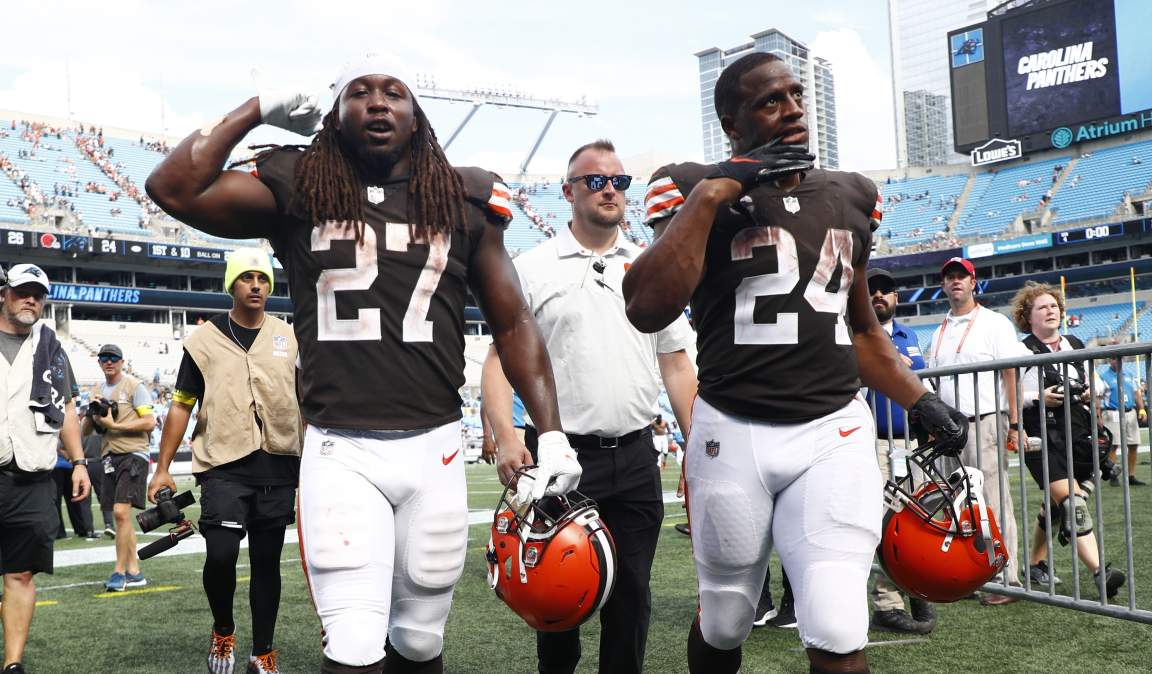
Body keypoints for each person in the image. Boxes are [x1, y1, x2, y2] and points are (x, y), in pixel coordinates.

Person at [146, 52, 566, 674]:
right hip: (341, 448)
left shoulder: (464, 195)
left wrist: (550, 433)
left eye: (394, 92)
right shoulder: (300, 184)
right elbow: (172, 188)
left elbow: (513, 321)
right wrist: (258, 110)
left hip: (435, 447)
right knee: (352, 641)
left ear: (417, 115)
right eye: (359, 92)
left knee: (420, 641)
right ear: (335, 114)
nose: (377, 103)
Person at [622, 52, 966, 674]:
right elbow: (647, 307)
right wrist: (714, 193)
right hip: (733, 429)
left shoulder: (850, 195)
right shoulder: (691, 184)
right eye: (770, 101)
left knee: (837, 627)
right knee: (725, 619)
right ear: (732, 123)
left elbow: (861, 330)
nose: (793, 110)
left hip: (832, 430)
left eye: (796, 95)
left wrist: (921, 399)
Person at [482, 139, 697, 674]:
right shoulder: (532, 267)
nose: (609, 190)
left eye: (619, 182)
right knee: (557, 599)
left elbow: (676, 362)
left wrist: (698, 448)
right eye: (596, 181)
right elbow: (498, 361)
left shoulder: (650, 264)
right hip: (561, 456)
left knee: (632, 597)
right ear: (568, 192)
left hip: (636, 455)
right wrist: (507, 436)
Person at [147, 248, 302, 674]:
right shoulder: (203, 340)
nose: (256, 285)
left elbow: (307, 397)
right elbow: (181, 404)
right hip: (223, 464)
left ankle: (263, 651)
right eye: (247, 277)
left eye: (263, 278)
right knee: (220, 555)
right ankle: (223, 629)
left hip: (278, 463)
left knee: (267, 564)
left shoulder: (289, 337)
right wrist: (162, 468)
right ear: (231, 284)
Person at [0, 263, 90, 674]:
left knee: (20, 574)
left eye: (37, 294)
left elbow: (67, 408)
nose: (30, 300)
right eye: (22, 291)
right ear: (5, 294)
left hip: (33, 475)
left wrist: (79, 462)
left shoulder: (52, 347)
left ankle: (13, 663)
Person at [1010, 283, 1125, 599]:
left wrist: (1089, 391)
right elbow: (1008, 394)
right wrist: (1039, 397)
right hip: (1041, 436)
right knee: (1073, 504)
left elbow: (1097, 384)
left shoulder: (1075, 343)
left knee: (1056, 505)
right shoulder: (1022, 351)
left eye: (1054, 306)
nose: (1050, 311)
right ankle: (1101, 573)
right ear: (1027, 317)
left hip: (1078, 433)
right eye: (1042, 307)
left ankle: (1034, 564)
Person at [924, 256, 1027, 605]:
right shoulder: (939, 331)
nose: (956, 281)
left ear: (973, 282)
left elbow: (1011, 373)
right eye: (949, 277)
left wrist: (1015, 423)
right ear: (943, 285)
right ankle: (971, 574)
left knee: (993, 499)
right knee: (959, 504)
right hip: (950, 428)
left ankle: (1007, 578)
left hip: (984, 420)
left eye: (961, 276)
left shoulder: (994, 323)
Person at [861, 268, 935, 634]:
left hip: (910, 444)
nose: (879, 295)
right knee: (884, 520)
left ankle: (913, 585)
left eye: (885, 290)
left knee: (915, 518)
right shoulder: (856, 336)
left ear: (896, 297)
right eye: (872, 290)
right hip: (875, 442)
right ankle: (887, 603)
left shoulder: (911, 336)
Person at [81, 343, 156, 593]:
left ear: (122, 361)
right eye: (104, 358)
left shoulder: (134, 386)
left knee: (121, 513)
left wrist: (115, 426)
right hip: (109, 457)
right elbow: (86, 431)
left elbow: (150, 422)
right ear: (99, 362)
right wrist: (91, 412)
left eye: (113, 358)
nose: (109, 362)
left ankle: (119, 572)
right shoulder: (96, 390)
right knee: (121, 517)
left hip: (133, 454)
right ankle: (135, 572)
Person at [1097, 349, 1148, 486]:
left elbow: (1136, 393)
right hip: (1112, 412)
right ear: (1110, 361)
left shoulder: (1129, 375)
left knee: (1134, 444)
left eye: (1119, 358)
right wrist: (1098, 416)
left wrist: (1142, 409)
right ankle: (1113, 475)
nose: (1117, 361)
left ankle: (1131, 476)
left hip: (1130, 412)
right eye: (1114, 359)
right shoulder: (1104, 377)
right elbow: (1098, 397)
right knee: (1113, 445)